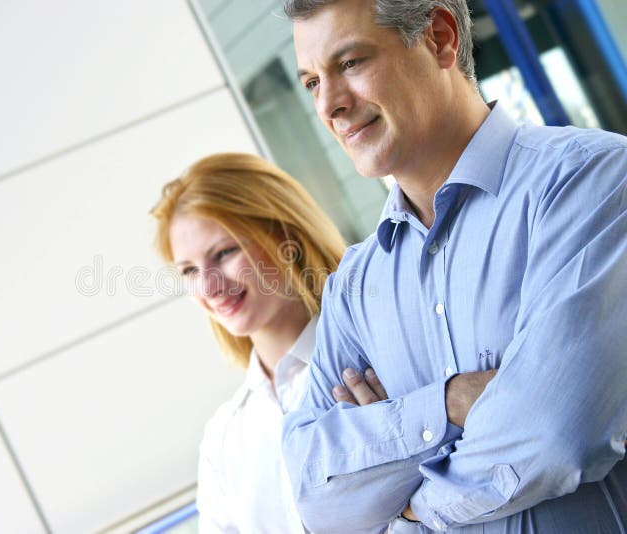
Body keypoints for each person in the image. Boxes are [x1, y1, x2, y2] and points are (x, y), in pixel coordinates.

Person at [279, 0, 627, 532]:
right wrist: (448, 404)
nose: (329, 105)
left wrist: (409, 502)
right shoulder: (353, 286)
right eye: (310, 83)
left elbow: (553, 431)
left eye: (350, 63)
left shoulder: (589, 181)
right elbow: (317, 498)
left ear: (441, 37)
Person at [151, 152, 346, 532]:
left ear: (286, 235)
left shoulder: (373, 357)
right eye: (189, 270)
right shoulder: (225, 438)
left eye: (223, 253)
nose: (209, 286)